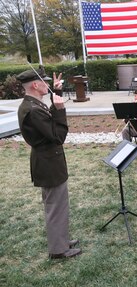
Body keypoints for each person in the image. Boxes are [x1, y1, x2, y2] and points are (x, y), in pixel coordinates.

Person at [16, 68, 81, 259]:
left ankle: (60, 240)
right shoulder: (33, 110)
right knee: (55, 206)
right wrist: (61, 109)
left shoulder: (33, 104)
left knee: (57, 204)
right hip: (48, 164)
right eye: (43, 82)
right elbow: (57, 135)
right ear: (35, 85)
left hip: (48, 161)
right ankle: (58, 250)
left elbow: (48, 123)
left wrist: (57, 93)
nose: (47, 85)